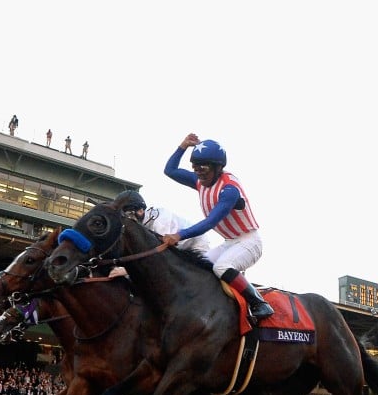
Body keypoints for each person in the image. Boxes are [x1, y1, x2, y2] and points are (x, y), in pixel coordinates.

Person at [162, 133, 273, 319]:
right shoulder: (200, 182)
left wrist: (180, 235)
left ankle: (260, 303)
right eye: (195, 166)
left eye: (203, 166)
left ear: (217, 167)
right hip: (230, 242)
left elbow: (210, 222)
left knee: (221, 267)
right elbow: (170, 170)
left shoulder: (229, 189)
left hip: (249, 242)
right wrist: (182, 146)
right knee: (197, 266)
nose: (198, 171)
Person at [117, 190, 210, 257]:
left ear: (141, 210)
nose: (127, 219)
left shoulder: (161, 221)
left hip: (196, 244)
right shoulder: (144, 223)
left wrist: (126, 271)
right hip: (178, 248)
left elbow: (163, 253)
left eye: (128, 214)